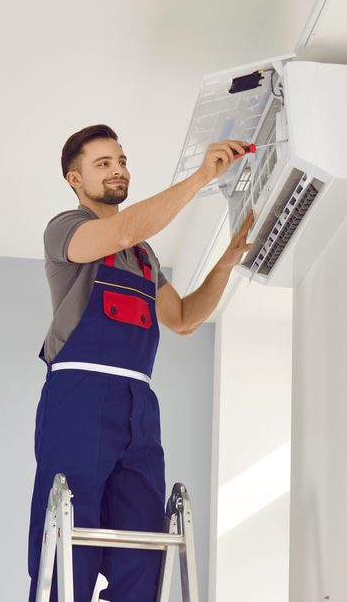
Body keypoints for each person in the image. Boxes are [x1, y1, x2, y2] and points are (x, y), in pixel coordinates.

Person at [27, 124, 253, 602]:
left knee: (142, 550)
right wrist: (199, 180)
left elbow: (185, 318)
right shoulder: (66, 230)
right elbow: (126, 227)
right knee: (73, 547)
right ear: (75, 179)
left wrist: (226, 262)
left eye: (122, 161)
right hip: (79, 398)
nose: (117, 170)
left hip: (139, 408)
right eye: (103, 164)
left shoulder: (144, 256)